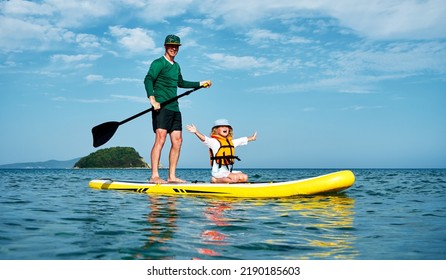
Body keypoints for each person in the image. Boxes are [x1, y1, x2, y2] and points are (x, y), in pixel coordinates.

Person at [144, 34, 212, 183]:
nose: (174, 48)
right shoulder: (158, 63)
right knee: (160, 139)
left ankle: (172, 176)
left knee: (178, 141)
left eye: (176, 46)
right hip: (161, 106)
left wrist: (200, 83)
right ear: (165, 46)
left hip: (175, 108)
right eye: (171, 45)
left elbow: (181, 83)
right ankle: (154, 175)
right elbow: (148, 79)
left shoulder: (177, 66)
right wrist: (152, 99)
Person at [186, 119, 257, 183]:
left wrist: (252, 138)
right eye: (222, 126)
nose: (225, 128)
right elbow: (204, 139)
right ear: (216, 130)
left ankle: (232, 184)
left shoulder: (230, 142)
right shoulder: (214, 142)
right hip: (218, 172)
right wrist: (196, 132)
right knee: (234, 178)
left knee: (245, 177)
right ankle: (215, 180)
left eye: (227, 127)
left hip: (228, 172)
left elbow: (241, 140)